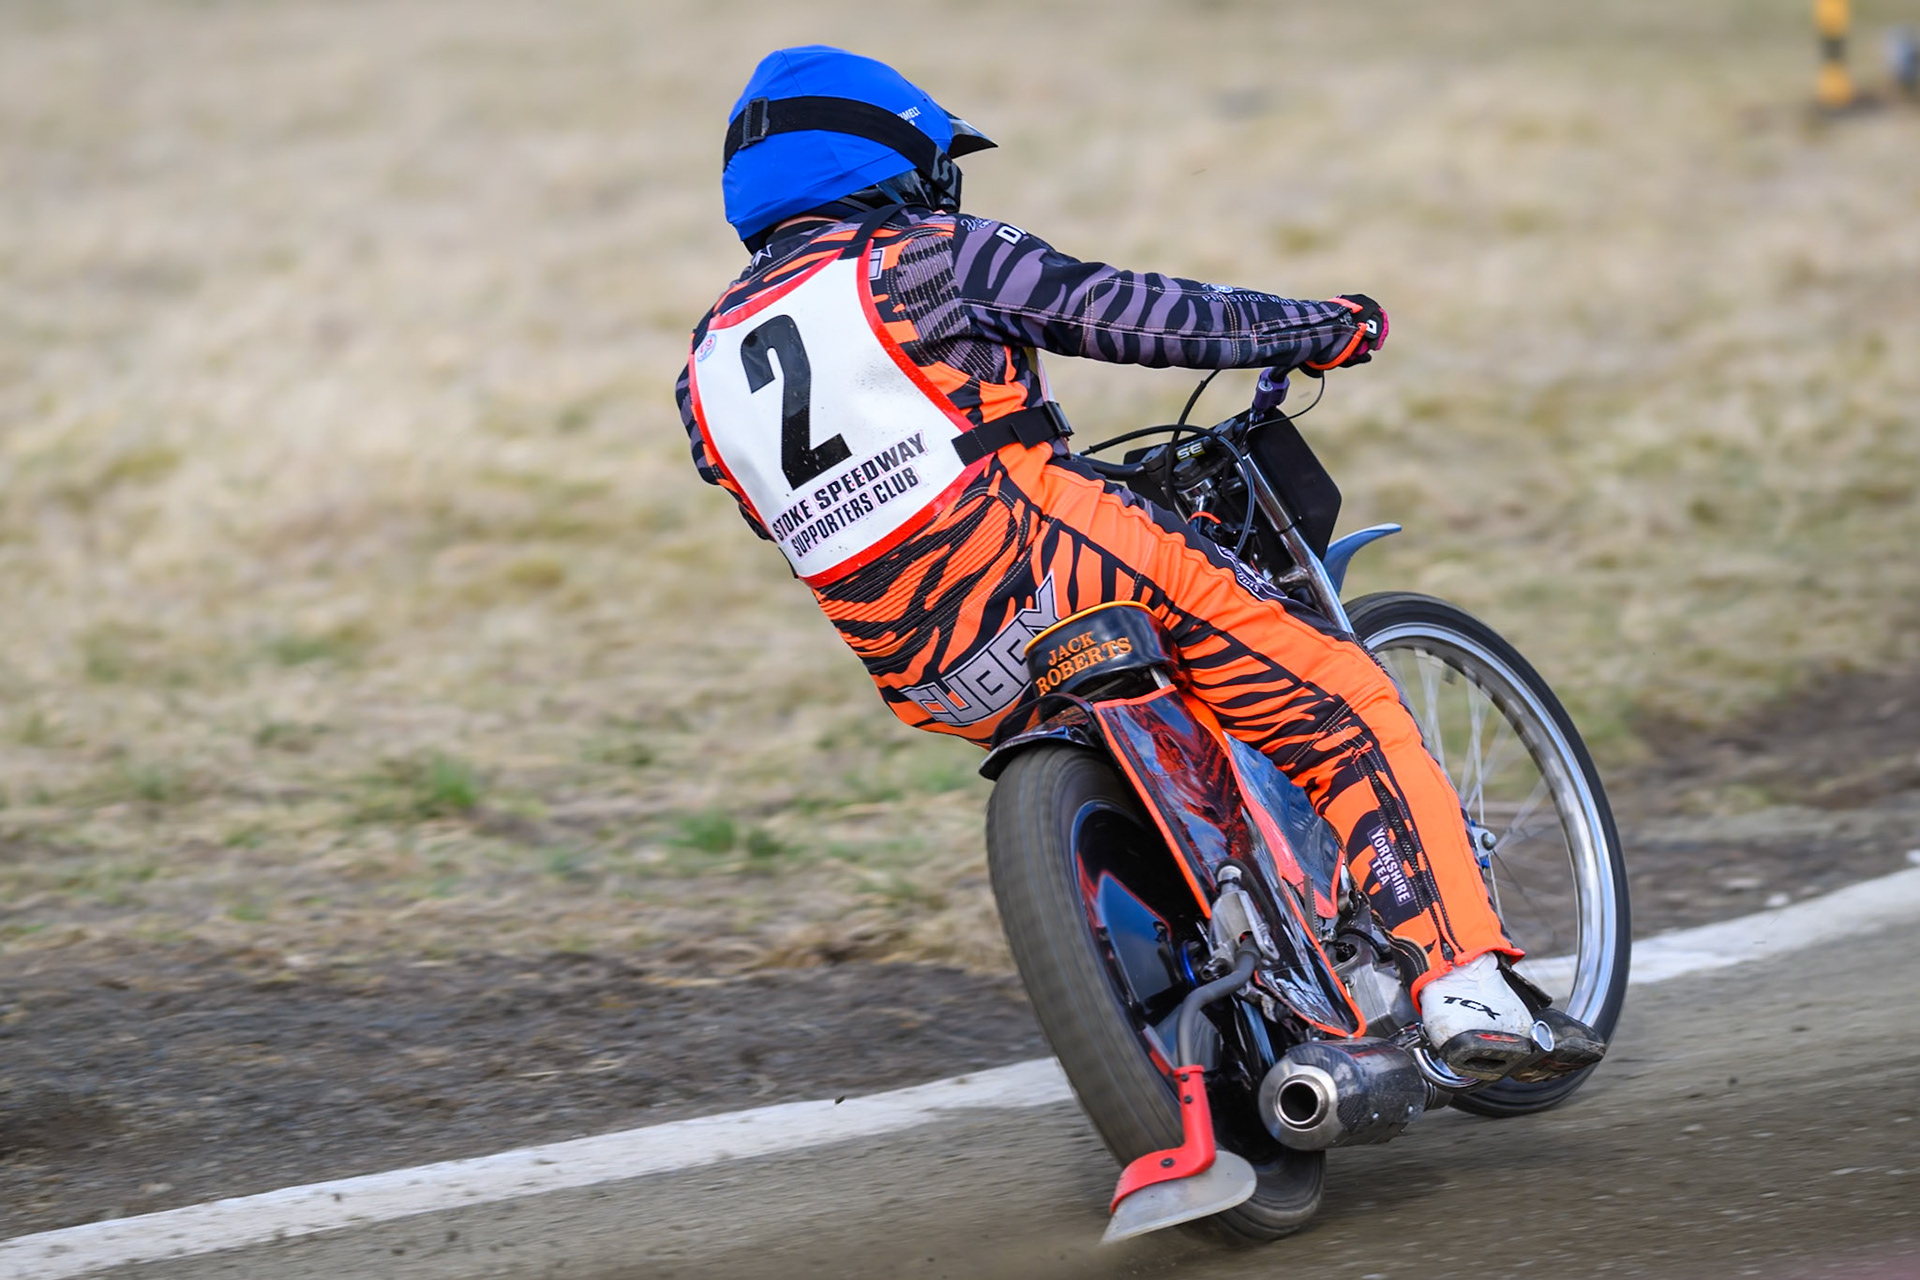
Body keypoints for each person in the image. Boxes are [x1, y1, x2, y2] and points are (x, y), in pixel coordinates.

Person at [677, 45, 1562, 1077]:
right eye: (931, 167)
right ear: (882, 165)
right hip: (1059, 555)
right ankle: (1464, 980)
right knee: (1338, 699)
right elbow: (1137, 312)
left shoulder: (701, 370)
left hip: (930, 666)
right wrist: (1325, 326)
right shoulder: (926, 255)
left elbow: (773, 512)